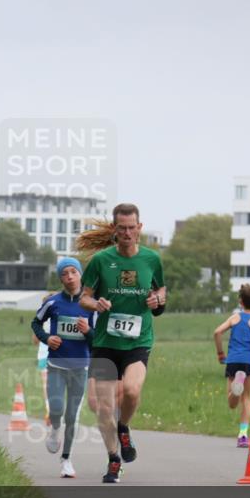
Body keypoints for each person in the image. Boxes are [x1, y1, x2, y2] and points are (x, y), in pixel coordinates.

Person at [77, 203, 166, 483]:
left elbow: (161, 289)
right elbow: (84, 297)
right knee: (104, 409)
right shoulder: (102, 261)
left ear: (139, 228)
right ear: (115, 229)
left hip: (138, 340)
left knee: (131, 390)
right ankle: (114, 459)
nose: (127, 233)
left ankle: (124, 427)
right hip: (105, 343)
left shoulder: (151, 259)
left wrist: (158, 299)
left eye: (132, 227)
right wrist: (96, 303)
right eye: (122, 228)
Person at [32, 257, 96, 479]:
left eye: (73, 272)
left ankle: (67, 460)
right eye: (64, 274)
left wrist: (88, 331)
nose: (69, 277)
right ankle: (54, 429)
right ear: (60, 278)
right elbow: (35, 323)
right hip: (56, 365)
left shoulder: (91, 304)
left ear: (80, 275)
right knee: (57, 409)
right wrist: (47, 338)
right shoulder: (53, 302)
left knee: (73, 415)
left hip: (80, 367)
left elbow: (97, 339)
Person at [213, 284, 250, 447]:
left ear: (240, 302)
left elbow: (217, 332)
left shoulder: (234, 318)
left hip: (233, 360)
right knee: (246, 398)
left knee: (232, 403)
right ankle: (243, 435)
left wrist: (220, 353)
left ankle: (236, 386)